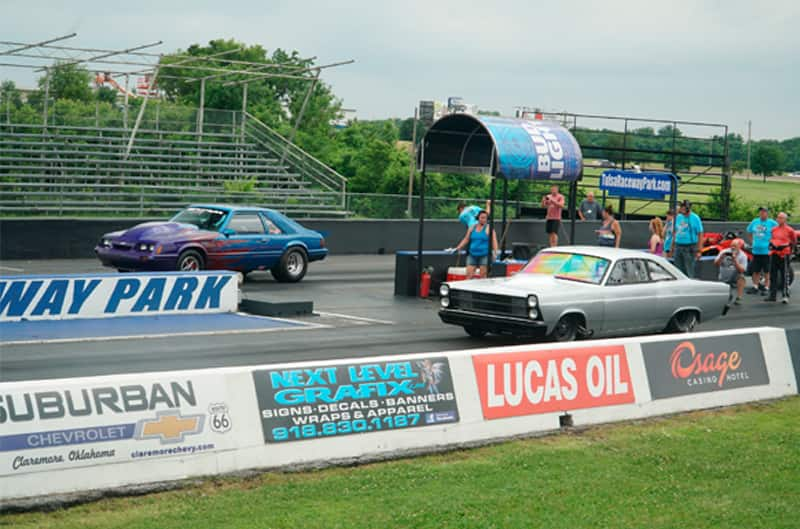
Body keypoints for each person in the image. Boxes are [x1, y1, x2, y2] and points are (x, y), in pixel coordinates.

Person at [454, 209, 499, 280]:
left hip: (484, 255)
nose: (484, 220)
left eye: (485, 218)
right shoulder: (472, 227)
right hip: (472, 255)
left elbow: (494, 241)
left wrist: (496, 253)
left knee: (483, 277)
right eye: (482, 218)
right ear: (478, 218)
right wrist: (458, 247)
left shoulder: (489, 229)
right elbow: (466, 239)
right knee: (468, 275)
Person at [765, 212, 797, 303]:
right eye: (778, 218)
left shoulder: (790, 230)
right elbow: (771, 239)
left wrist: (790, 251)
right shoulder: (774, 229)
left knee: (784, 275)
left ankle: (785, 296)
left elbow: (793, 241)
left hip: (784, 254)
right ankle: (772, 296)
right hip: (774, 253)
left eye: (781, 218)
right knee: (773, 275)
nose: (779, 219)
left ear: (785, 219)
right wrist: (771, 245)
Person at [746, 206, 777, 295]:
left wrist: (773, 243)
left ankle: (767, 287)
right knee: (756, 270)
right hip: (756, 250)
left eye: (764, 212)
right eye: (761, 212)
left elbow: (778, 231)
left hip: (767, 251)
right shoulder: (755, 221)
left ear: (767, 213)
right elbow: (749, 231)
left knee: (767, 270)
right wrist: (752, 242)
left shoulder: (772, 223)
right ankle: (755, 286)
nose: (762, 213)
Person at [673, 200, 704, 278]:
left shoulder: (695, 218)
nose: (682, 210)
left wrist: (699, 250)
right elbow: (675, 232)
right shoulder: (678, 217)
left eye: (684, 208)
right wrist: (672, 247)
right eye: (681, 208)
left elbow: (700, 233)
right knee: (677, 268)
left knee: (689, 269)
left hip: (690, 246)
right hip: (678, 245)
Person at [715, 238, 748, 305]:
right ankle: (729, 294)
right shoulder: (724, 252)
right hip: (724, 276)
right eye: (732, 245)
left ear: (740, 247)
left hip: (734, 276)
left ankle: (739, 297)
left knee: (742, 278)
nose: (733, 247)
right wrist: (721, 258)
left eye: (735, 246)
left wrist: (735, 260)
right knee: (727, 298)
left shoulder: (743, 255)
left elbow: (742, 270)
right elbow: (716, 264)